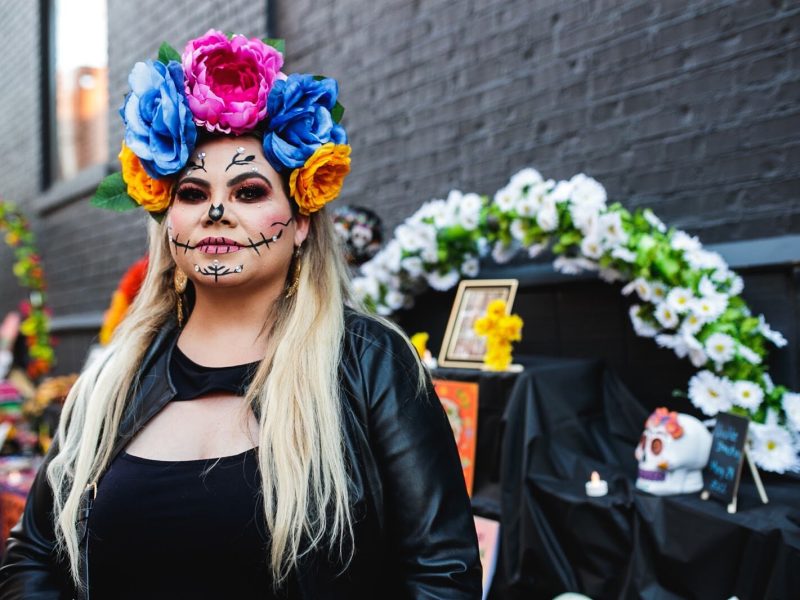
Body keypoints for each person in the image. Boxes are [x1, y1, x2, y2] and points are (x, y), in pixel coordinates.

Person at [0, 29, 481, 599]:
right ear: (167, 220)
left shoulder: (370, 362)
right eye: (192, 193)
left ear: (301, 221)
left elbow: (443, 573)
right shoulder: (111, 379)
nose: (218, 211)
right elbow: (33, 557)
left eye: (250, 191)